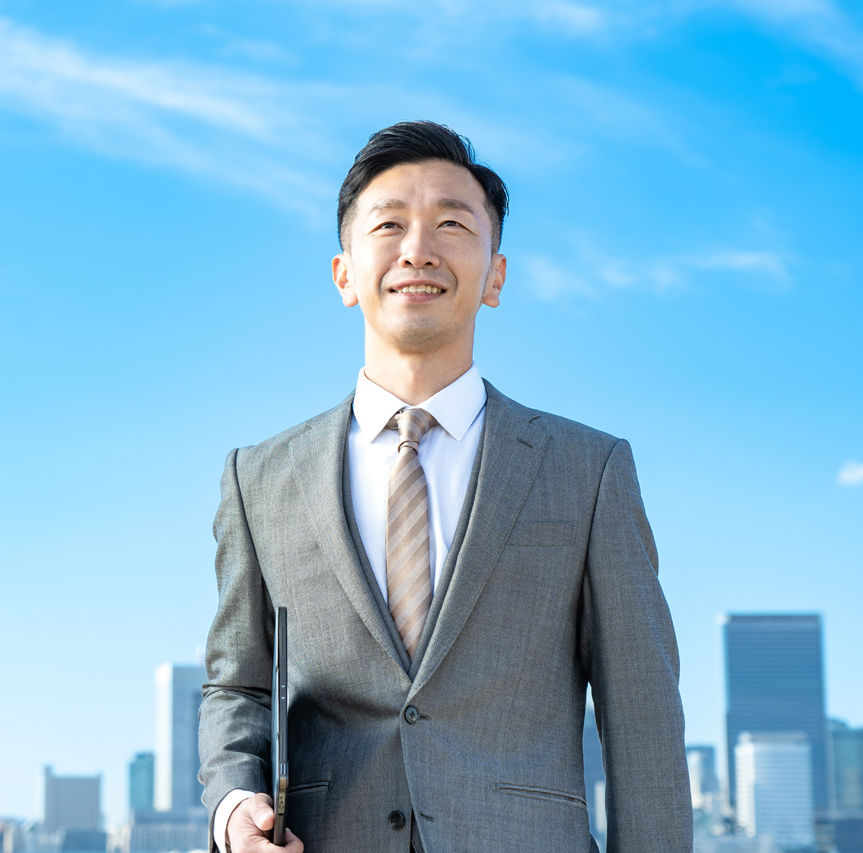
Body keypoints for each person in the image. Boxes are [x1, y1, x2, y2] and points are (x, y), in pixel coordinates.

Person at [198, 121, 692, 853]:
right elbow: (238, 686)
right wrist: (236, 802)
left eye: (451, 224)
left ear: (495, 276)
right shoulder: (259, 477)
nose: (417, 249)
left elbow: (642, 716)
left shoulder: (589, 470)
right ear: (343, 274)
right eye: (389, 223)